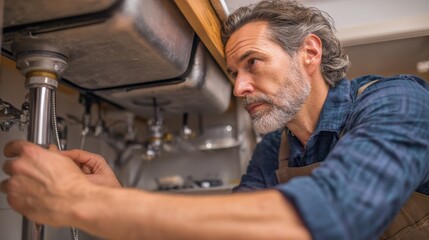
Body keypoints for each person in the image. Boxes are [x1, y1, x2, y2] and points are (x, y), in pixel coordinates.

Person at [1, 0, 429, 239]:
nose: (240, 88)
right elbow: (231, 233)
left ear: (310, 53)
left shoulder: (396, 101)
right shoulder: (272, 149)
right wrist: (118, 193)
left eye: (253, 62)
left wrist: (85, 202)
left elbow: (336, 215)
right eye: (234, 73)